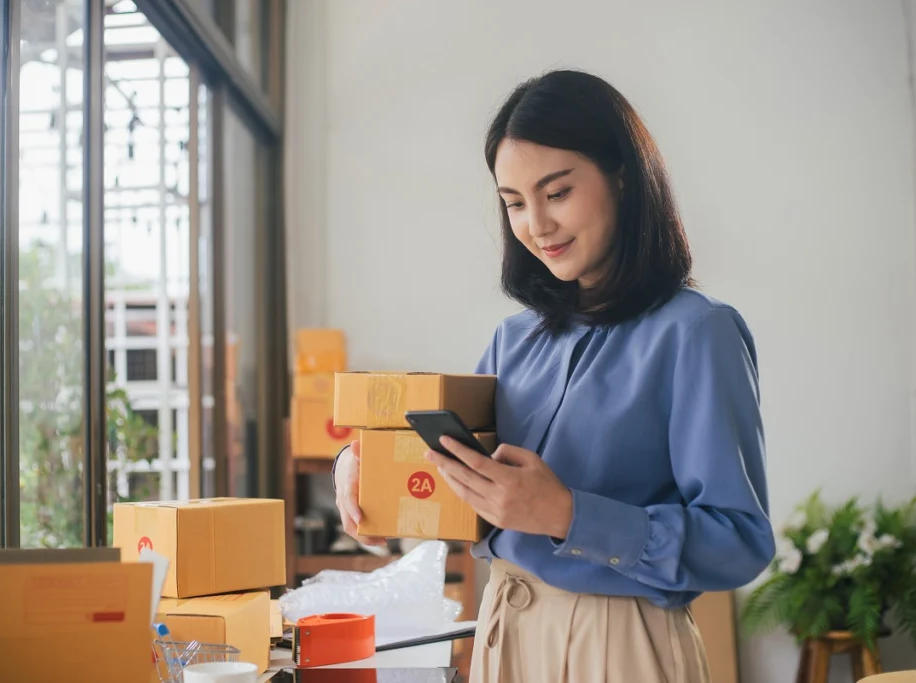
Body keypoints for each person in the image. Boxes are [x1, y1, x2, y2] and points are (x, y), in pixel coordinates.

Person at [332, 69, 775, 683]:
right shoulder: (511, 340)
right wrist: (365, 466)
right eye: (514, 203)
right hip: (502, 631)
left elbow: (739, 542)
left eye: (557, 192)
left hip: (620, 647)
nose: (535, 224)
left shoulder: (697, 333)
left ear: (622, 176)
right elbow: (469, 484)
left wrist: (568, 514)